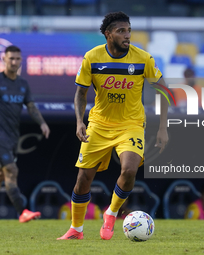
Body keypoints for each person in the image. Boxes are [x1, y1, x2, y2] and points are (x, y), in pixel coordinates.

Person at [57, 11, 168, 240]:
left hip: (131, 124)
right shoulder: (92, 57)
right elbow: (81, 92)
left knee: (129, 170)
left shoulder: (142, 58)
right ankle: (76, 229)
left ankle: (111, 212)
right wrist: (80, 121)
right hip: (99, 124)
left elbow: (164, 90)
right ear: (108, 35)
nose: (127, 35)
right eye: (121, 31)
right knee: (83, 180)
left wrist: (163, 128)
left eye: (128, 30)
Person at [0, 45, 50, 223]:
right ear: (4, 60)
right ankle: (22, 212)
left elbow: (31, 106)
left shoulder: (23, 84)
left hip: (12, 136)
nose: (14, 62)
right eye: (10, 58)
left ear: (21, 61)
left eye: (17, 59)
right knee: (11, 171)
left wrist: (42, 123)